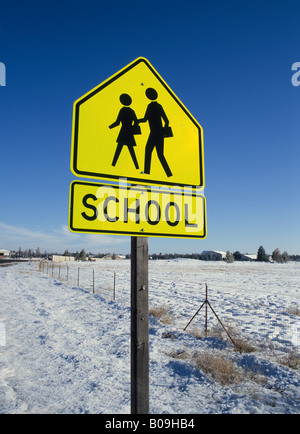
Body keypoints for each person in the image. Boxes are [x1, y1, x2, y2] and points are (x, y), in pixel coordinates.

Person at [138, 88, 172, 177]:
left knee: (149, 151)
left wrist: (137, 121)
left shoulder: (150, 106)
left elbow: (145, 119)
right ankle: (168, 174)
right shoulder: (159, 106)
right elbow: (167, 121)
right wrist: (163, 132)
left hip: (154, 133)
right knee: (159, 154)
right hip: (159, 133)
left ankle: (146, 172)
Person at [109, 93, 140, 169]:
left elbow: (117, 122)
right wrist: (133, 127)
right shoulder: (132, 111)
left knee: (119, 149)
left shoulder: (122, 110)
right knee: (130, 150)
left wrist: (109, 127)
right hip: (129, 132)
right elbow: (136, 121)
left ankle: (113, 165)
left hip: (123, 132)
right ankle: (137, 167)